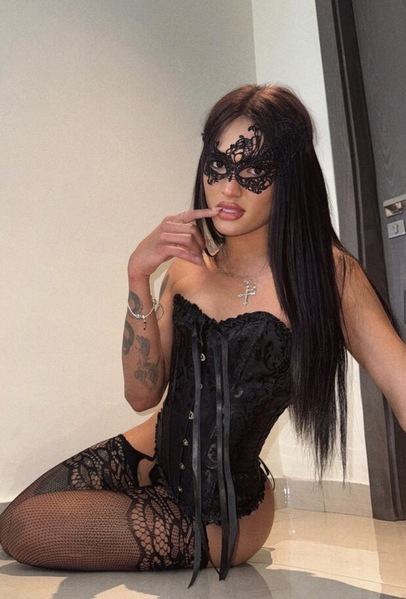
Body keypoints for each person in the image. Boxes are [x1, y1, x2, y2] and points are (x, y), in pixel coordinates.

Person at [1, 84, 405, 586]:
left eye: (253, 170)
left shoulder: (328, 277)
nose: (229, 189)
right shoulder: (187, 272)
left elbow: (400, 382)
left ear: (291, 176)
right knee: (18, 515)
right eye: (218, 166)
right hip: (153, 451)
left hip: (227, 508)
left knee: (27, 530)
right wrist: (137, 277)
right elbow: (142, 396)